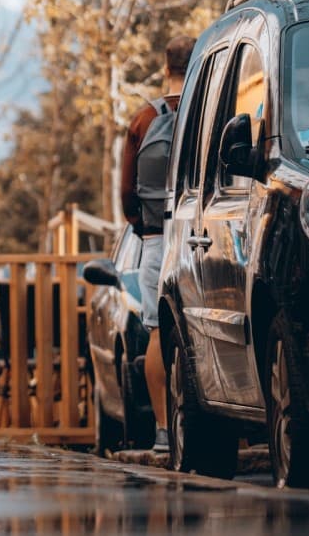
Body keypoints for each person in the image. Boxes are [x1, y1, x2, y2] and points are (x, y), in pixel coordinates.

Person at [121, 35, 196, 454]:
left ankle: (165, 431)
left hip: (155, 237)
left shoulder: (143, 119)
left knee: (155, 332)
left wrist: (144, 227)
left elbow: (126, 193)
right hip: (199, 236)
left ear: (164, 66)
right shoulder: (208, 107)